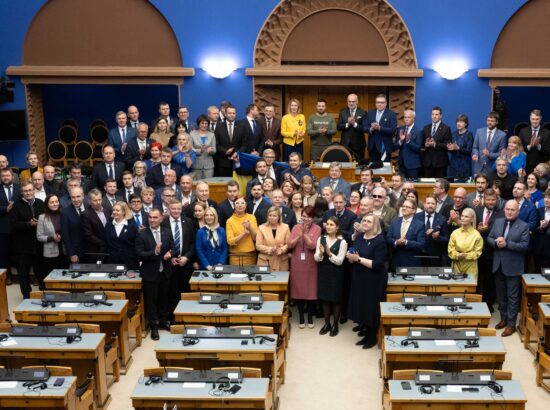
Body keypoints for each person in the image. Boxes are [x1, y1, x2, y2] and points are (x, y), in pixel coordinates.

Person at [487, 200, 530, 336]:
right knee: (501, 297)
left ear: (518, 211)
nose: (509, 212)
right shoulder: (498, 222)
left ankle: (511, 325)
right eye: (508, 209)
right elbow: (489, 237)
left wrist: (507, 244)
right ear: (504, 209)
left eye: (513, 210)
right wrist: (495, 242)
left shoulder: (524, 226)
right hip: (498, 265)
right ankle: (503, 320)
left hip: (513, 267)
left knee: (512, 297)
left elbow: (524, 246)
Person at [347, 215, 387, 349]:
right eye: (363, 220)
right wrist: (351, 257)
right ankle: (364, 329)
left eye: (368, 221)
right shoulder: (359, 237)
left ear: (375, 225)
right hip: (359, 276)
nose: (364, 222)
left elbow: (377, 264)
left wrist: (358, 259)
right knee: (361, 303)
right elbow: (354, 254)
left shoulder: (380, 240)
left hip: (373, 279)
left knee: (370, 306)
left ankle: (371, 337)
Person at [135, 208, 174, 340]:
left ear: (161, 218)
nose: (152, 220)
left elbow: (173, 247)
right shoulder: (142, 234)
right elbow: (139, 254)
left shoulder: (167, 232)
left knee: (164, 298)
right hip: (150, 273)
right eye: (150, 217)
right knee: (152, 301)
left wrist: (171, 253)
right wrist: (155, 253)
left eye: (155, 217)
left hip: (165, 272)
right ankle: (154, 326)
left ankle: (163, 321)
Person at [287, 206, 321, 328]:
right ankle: (301, 317)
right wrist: (298, 235)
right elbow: (290, 244)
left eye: (308, 217)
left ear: (313, 218)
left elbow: (312, 246)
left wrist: (305, 234)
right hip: (297, 263)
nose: (305, 219)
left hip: (311, 263)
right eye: (304, 216)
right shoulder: (296, 227)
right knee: (299, 290)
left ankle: (310, 317)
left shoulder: (317, 229)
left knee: (311, 291)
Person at [315, 216, 348, 337]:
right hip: (323, 272)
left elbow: (340, 261)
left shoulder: (342, 242)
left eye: (331, 225)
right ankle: (327, 323)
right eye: (327, 224)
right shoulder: (321, 238)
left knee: (335, 300)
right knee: (325, 299)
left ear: (337, 227)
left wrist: (329, 254)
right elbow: (316, 258)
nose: (328, 227)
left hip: (336, 273)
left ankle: (335, 325)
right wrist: (320, 253)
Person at [11, 182, 45, 298]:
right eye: (25, 191)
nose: (28, 193)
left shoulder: (40, 203)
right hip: (23, 245)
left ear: (34, 191)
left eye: (30, 190)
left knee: (41, 271)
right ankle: (26, 296)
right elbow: (14, 224)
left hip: (39, 244)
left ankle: (43, 292)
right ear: (22, 193)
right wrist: (28, 224)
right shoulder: (16, 205)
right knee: (23, 273)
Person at [161, 200, 195, 314]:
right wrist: (170, 258)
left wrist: (187, 257)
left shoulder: (189, 222)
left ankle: (186, 316)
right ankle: (172, 318)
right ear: (169, 209)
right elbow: (161, 244)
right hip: (170, 265)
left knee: (185, 292)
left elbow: (192, 243)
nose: (176, 211)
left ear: (181, 209)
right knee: (171, 293)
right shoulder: (163, 223)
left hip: (185, 264)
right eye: (173, 209)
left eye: (178, 209)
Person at [475, 188, 502, 311]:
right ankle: (475, 301)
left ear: (496, 200)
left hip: (492, 252)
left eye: (493, 200)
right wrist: (477, 229)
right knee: (477, 277)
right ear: (484, 199)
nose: (490, 202)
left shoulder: (501, 213)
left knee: (490, 280)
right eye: (488, 199)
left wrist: (487, 230)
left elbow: (500, 232)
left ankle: (488, 304)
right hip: (476, 251)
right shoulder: (477, 210)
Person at [386, 199, 425, 271]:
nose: (404, 208)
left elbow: (421, 245)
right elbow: (388, 238)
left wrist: (406, 242)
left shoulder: (419, 225)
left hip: (411, 263)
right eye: (403, 206)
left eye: (407, 207)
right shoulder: (394, 221)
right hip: (396, 262)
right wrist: (396, 242)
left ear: (414, 210)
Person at [414, 194, 450, 266]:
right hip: (418, 254)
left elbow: (446, 239)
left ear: (436, 205)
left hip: (434, 256)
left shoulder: (442, 219)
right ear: (424, 204)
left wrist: (437, 237)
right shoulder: (416, 217)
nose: (430, 205)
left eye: (433, 203)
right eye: (428, 203)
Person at [36, 194, 63, 288]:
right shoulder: (42, 217)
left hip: (64, 251)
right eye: (52, 202)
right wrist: (52, 238)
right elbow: (39, 236)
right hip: (50, 253)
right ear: (47, 204)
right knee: (51, 279)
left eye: (56, 201)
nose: (55, 204)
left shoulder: (63, 215)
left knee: (63, 277)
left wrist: (61, 236)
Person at [447, 208, 483, 277]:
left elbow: (477, 253)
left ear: (472, 219)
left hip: (470, 266)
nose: (463, 218)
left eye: (466, 216)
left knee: (469, 287)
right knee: (456, 287)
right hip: (456, 265)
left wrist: (465, 256)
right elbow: (450, 250)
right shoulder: (455, 233)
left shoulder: (477, 235)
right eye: (462, 216)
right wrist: (457, 255)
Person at [104, 201, 138, 269]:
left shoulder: (132, 225)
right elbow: (104, 243)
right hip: (112, 262)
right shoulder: (108, 225)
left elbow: (136, 244)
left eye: (117, 210)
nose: (114, 212)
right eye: (113, 210)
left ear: (124, 212)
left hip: (129, 262)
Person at [364, 94, 397, 163]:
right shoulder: (370, 113)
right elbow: (364, 128)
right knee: (373, 169)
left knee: (384, 170)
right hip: (372, 147)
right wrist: (371, 128)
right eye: (377, 102)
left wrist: (379, 128)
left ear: (386, 104)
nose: (379, 104)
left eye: (382, 103)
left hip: (384, 147)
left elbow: (393, 130)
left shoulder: (391, 114)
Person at [0, 167, 19, 285]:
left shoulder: (19, 188)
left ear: (12, 176)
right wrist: (5, 209)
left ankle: (23, 276)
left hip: (19, 227)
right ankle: (7, 277)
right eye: (3, 176)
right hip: (3, 228)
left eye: (8, 175)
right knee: (3, 255)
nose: (5, 178)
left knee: (19, 253)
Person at [472, 111, 507, 176]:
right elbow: (475, 147)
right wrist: (475, 154)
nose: (489, 122)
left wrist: (489, 154)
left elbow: (501, 154)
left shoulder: (502, 135)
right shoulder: (479, 132)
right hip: (478, 168)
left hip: (491, 168)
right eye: (488, 120)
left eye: (492, 121)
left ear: (497, 122)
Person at [256, 206, 290, 271]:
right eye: (270, 215)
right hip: (265, 261)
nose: (272, 218)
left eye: (274, 216)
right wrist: (270, 249)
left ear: (279, 217)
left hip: (281, 261)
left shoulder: (286, 227)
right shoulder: (261, 228)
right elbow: (258, 245)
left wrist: (282, 249)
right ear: (267, 216)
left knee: (281, 280)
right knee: (265, 280)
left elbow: (288, 244)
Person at [226, 196, 258, 265]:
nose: (240, 205)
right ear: (234, 205)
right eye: (237, 203)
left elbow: (256, 237)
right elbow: (230, 241)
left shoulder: (252, 217)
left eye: (242, 203)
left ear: (246, 205)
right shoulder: (230, 221)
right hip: (235, 257)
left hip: (250, 256)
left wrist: (250, 227)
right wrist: (243, 233)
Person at [421, 106, 452, 178]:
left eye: (436, 114)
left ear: (441, 116)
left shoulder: (446, 128)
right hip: (427, 163)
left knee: (440, 185)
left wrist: (435, 144)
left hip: (440, 163)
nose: (434, 116)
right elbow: (421, 144)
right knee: (427, 186)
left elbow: (448, 145)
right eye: (432, 114)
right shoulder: (426, 128)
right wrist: (425, 144)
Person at [81, 189, 110, 263]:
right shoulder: (85, 214)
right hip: (95, 250)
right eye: (95, 200)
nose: (98, 202)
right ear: (89, 202)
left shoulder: (107, 210)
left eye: (100, 199)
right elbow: (88, 235)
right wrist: (103, 243)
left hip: (108, 250)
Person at [518, 109, 550, 174]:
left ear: (540, 119)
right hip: (525, 167)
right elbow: (518, 149)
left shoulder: (547, 133)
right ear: (530, 119)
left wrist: (539, 146)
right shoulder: (523, 131)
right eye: (533, 119)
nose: (535, 121)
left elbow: (549, 151)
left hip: (541, 168)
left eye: (537, 119)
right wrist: (529, 146)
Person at [337, 93, 366, 160]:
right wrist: (347, 124)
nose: (351, 103)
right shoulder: (342, 112)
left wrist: (354, 124)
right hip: (345, 144)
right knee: (345, 165)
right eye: (349, 101)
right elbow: (338, 127)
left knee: (359, 165)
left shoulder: (363, 112)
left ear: (357, 102)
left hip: (359, 144)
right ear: (347, 102)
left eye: (353, 101)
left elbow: (364, 128)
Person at [394, 109, 421, 178]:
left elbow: (418, 148)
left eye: (409, 117)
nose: (406, 119)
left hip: (413, 165)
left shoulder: (419, 131)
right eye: (405, 117)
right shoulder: (400, 129)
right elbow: (394, 147)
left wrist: (408, 141)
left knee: (412, 185)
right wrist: (400, 141)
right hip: (401, 163)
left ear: (414, 119)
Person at [214, 104, 238, 177]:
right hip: (223, 162)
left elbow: (244, 144)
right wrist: (225, 151)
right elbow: (216, 144)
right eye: (230, 113)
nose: (232, 115)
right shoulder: (219, 126)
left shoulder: (241, 126)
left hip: (236, 161)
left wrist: (236, 153)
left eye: (233, 113)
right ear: (225, 114)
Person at [448, 114, 473, 180]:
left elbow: (468, 150)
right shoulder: (454, 134)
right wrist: (450, 148)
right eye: (458, 122)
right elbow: (451, 149)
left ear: (466, 124)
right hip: (454, 164)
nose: (459, 124)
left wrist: (458, 148)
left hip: (464, 164)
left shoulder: (469, 135)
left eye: (461, 122)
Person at [190, 115, 216, 179]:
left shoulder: (211, 134)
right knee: (197, 185)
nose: (204, 125)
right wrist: (200, 150)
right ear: (198, 123)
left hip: (209, 166)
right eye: (202, 123)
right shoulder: (192, 134)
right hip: (196, 165)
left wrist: (211, 151)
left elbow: (214, 150)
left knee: (208, 184)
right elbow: (190, 149)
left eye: (206, 123)